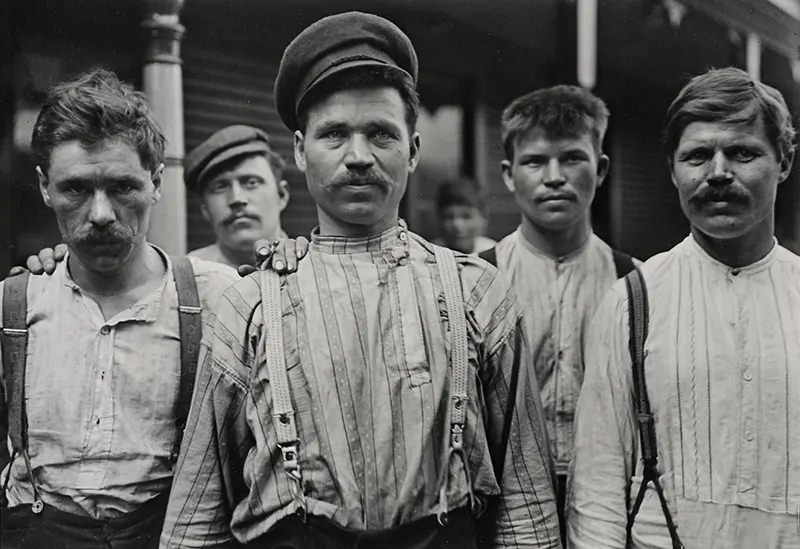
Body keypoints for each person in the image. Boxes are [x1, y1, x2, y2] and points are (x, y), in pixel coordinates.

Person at [161, 11, 560, 549]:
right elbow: (198, 513)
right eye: (334, 135)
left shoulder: (474, 292)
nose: (357, 157)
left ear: (413, 151)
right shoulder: (250, 303)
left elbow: (526, 498)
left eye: (380, 134)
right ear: (301, 151)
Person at [0, 69, 237, 548]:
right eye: (76, 189)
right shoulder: (13, 305)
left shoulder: (219, 298)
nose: (102, 214)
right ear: (45, 187)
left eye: (123, 187)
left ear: (156, 182)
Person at [568, 67, 799, 548]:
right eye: (697, 156)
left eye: (742, 152)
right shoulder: (634, 300)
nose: (718, 173)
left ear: (783, 161)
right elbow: (598, 483)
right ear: (673, 169)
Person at [478, 85, 637, 533]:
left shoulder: (636, 283)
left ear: (601, 168)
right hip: (505, 507)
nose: (554, 177)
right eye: (534, 161)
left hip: (610, 503)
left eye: (572, 158)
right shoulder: (476, 281)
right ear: (509, 174)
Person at [184, 125, 291, 269]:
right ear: (204, 209)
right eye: (219, 187)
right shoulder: (188, 276)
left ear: (281, 195)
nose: (236, 198)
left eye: (251, 182)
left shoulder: (312, 268)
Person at [433, 178, 497, 255]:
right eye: (449, 217)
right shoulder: (430, 253)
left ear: (483, 218)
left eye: (466, 217)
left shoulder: (494, 253)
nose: (457, 225)